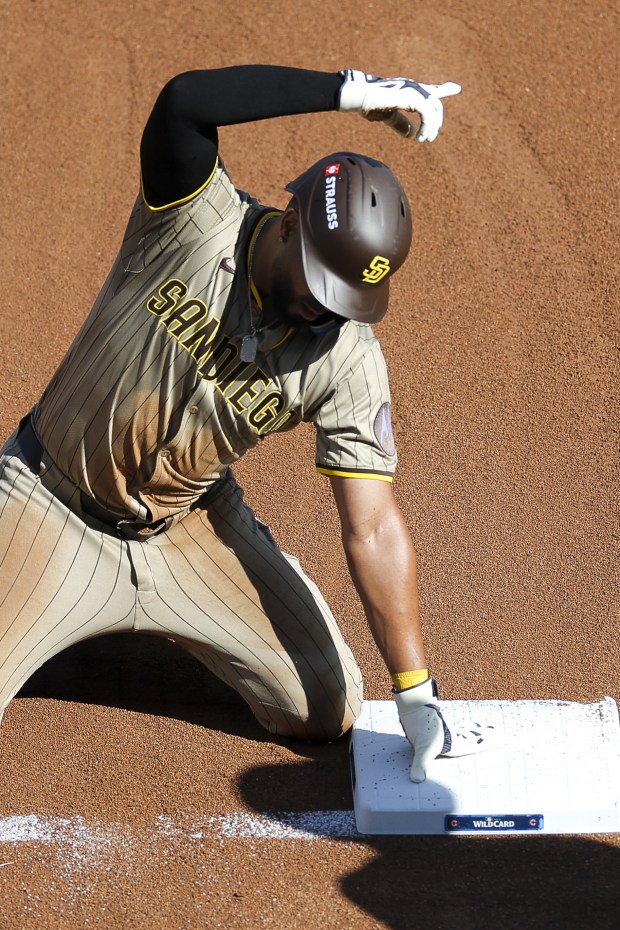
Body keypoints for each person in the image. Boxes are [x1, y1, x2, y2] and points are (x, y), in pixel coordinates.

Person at [0, 66, 493, 783]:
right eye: (322, 286)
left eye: (347, 300)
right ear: (291, 224)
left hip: (187, 528)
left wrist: (415, 685)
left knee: (327, 708)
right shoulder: (193, 222)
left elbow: (374, 524)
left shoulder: (346, 359)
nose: (326, 313)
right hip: (51, 507)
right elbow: (183, 103)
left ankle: (114, 614)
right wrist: (351, 92)